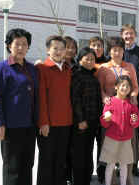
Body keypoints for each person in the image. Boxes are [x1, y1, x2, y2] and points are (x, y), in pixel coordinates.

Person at [0, 28, 39, 185]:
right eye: (17, 44)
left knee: (27, 165)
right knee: (12, 167)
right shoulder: (2, 68)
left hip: (30, 126)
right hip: (10, 127)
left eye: (24, 44)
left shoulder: (32, 68)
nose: (21, 48)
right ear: (9, 46)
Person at [97, 36, 139, 185]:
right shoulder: (103, 68)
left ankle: (128, 178)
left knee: (129, 145)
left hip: (127, 110)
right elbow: (100, 88)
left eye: (120, 50)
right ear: (110, 51)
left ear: (123, 51)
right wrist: (104, 98)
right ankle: (112, 178)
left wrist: (133, 96)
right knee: (110, 145)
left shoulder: (130, 67)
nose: (117, 53)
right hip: (111, 110)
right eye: (114, 50)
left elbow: (135, 87)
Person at [37, 35, 73, 185]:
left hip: (66, 123)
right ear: (48, 50)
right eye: (55, 48)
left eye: (61, 49)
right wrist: (43, 123)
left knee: (60, 161)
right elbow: (41, 98)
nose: (58, 51)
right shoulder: (41, 68)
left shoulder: (67, 69)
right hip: (49, 125)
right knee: (46, 161)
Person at [99, 75, 139, 185]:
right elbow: (103, 122)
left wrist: (134, 120)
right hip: (111, 138)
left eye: (127, 86)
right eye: (122, 85)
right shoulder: (110, 102)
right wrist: (106, 119)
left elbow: (136, 123)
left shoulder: (131, 104)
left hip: (126, 139)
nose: (125, 88)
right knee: (110, 164)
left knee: (124, 164)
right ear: (116, 87)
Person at [70, 47, 102, 185]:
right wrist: (80, 119)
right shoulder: (76, 75)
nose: (90, 61)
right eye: (87, 58)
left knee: (88, 150)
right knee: (79, 153)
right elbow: (75, 99)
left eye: (92, 59)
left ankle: (86, 179)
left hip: (93, 120)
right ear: (80, 59)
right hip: (81, 122)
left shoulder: (92, 74)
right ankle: (78, 180)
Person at [121, 24, 139, 177]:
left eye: (131, 34)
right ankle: (120, 165)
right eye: (125, 34)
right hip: (119, 100)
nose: (128, 36)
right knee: (119, 133)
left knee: (134, 134)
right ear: (122, 35)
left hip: (136, 101)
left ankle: (134, 165)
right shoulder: (118, 51)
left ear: (135, 35)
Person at [89, 36, 109, 183]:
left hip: (105, 109)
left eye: (99, 45)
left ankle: (102, 172)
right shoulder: (84, 61)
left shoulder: (108, 64)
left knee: (103, 144)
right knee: (87, 144)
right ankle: (87, 171)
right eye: (94, 45)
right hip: (89, 109)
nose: (97, 48)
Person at [63, 36, 78, 185]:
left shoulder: (77, 66)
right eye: (68, 46)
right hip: (61, 112)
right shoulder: (57, 65)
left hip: (76, 112)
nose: (71, 50)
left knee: (74, 146)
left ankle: (74, 175)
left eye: (73, 47)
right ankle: (65, 175)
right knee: (63, 147)